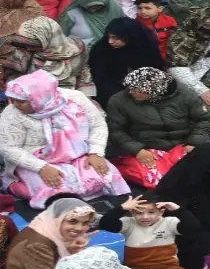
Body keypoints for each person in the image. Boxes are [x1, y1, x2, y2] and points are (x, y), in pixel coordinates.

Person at [0, 70, 129, 208]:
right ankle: (13, 185)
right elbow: (8, 147)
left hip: (79, 156)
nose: (14, 104)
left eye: (21, 101)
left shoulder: (75, 99)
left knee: (107, 177)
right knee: (54, 193)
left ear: (39, 97)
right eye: (11, 99)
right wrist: (41, 168)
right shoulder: (12, 114)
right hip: (38, 161)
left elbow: (97, 125)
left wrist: (95, 153)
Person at [106, 67, 210, 190]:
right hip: (147, 150)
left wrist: (194, 143)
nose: (130, 92)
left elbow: (206, 119)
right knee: (160, 181)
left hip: (184, 144)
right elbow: (115, 130)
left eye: (135, 89)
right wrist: (137, 150)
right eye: (130, 88)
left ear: (152, 90)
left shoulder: (184, 94)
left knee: (204, 175)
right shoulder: (119, 101)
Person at [4, 198, 96, 269]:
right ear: (57, 219)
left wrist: (70, 250)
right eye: (72, 221)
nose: (79, 228)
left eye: (85, 223)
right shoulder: (37, 246)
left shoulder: (44, 227)